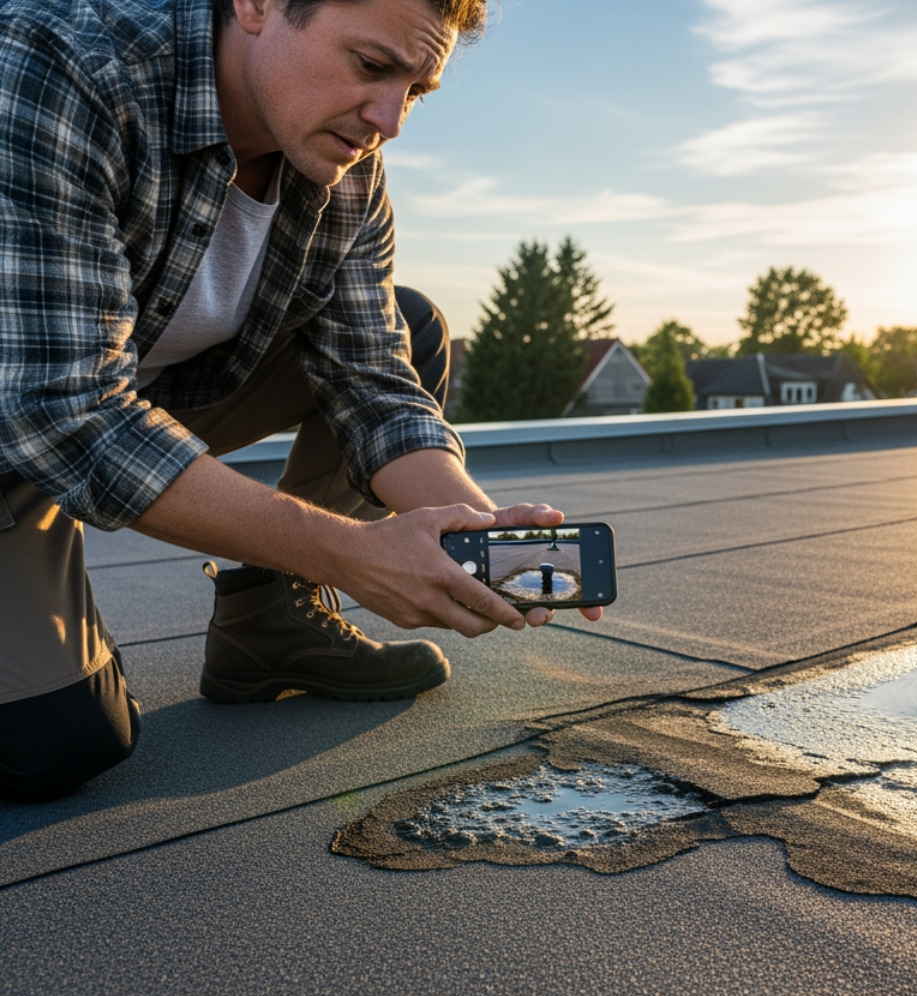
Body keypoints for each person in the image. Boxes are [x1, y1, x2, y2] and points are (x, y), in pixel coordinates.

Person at [0, 0, 599, 802]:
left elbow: (375, 383)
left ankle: (268, 623)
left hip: (110, 408)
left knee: (412, 330)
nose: (388, 121)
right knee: (57, 745)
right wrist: (350, 553)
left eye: (415, 90)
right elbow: (64, 412)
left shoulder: (345, 169)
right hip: (31, 419)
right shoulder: (59, 64)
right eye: (371, 66)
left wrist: (480, 535)